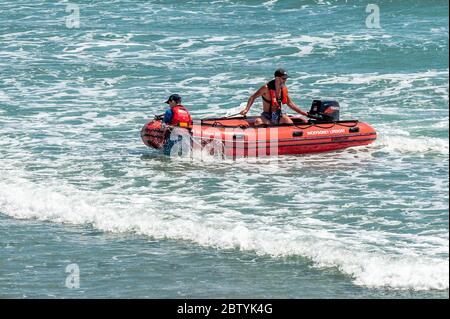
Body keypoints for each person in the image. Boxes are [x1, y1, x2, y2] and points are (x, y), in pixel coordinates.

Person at [239, 68, 308, 125]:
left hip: (278, 114)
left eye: (286, 78)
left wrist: (303, 113)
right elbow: (253, 97)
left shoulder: (283, 88)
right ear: (277, 78)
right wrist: (246, 109)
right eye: (283, 78)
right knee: (258, 122)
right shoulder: (266, 88)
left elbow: (290, 103)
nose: (285, 80)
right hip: (267, 115)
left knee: (289, 123)